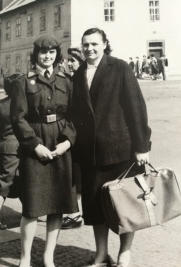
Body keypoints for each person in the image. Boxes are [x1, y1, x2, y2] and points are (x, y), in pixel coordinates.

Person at [72, 28, 151, 267]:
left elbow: (135, 107)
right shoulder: (78, 74)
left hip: (120, 150)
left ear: (105, 44)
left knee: (125, 205)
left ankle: (124, 254)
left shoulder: (120, 68)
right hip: (91, 154)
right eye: (85, 45)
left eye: (94, 44)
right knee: (96, 206)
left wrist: (141, 146)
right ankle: (101, 254)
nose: (89, 49)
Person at [10, 36, 78, 267]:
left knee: (58, 204)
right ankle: (25, 258)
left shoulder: (66, 81)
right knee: (32, 205)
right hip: (35, 144)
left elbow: (74, 117)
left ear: (57, 55)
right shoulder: (23, 82)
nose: (47, 56)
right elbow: (18, 119)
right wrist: (35, 145)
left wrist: (67, 141)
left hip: (60, 142)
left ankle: (48, 256)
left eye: (51, 52)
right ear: (36, 55)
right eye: (42, 52)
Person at [0, 74, 22, 232]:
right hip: (17, 148)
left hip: (2, 148)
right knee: (6, 182)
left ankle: (28, 213)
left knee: (17, 179)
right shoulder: (21, 104)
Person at [61, 47, 85, 229]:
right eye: (68, 60)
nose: (69, 63)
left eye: (73, 60)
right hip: (72, 134)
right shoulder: (72, 79)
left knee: (77, 175)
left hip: (80, 136)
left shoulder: (82, 80)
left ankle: (76, 213)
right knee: (74, 175)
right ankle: (75, 212)